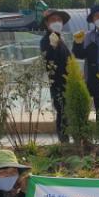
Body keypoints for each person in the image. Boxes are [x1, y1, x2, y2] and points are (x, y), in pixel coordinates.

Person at [39, 9, 71, 142]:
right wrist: (52, 47)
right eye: (53, 20)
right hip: (58, 83)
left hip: (68, 82)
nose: (57, 22)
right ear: (47, 23)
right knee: (62, 112)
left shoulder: (60, 38)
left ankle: (67, 140)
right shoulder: (46, 40)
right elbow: (49, 62)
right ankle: (64, 142)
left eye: (59, 20)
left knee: (67, 113)